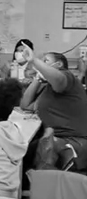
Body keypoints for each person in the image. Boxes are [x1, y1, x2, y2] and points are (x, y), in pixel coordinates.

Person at [20, 45, 87, 173]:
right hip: (52, 138)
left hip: (70, 142)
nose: (40, 66)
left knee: (26, 152)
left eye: (45, 61)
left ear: (58, 65)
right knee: (20, 150)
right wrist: (38, 78)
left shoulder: (67, 78)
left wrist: (34, 60)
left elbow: (58, 79)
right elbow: (26, 106)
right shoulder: (48, 88)